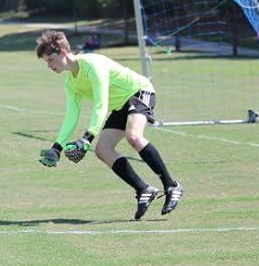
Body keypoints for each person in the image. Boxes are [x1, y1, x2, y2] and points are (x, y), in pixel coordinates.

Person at [35, 30, 183, 220]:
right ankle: (143, 189)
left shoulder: (92, 64)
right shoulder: (70, 82)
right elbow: (72, 116)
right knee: (103, 150)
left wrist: (87, 138)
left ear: (63, 53)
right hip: (121, 105)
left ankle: (172, 185)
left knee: (134, 136)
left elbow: (101, 104)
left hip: (138, 92)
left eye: (50, 59)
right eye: (46, 61)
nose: (48, 65)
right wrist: (57, 147)